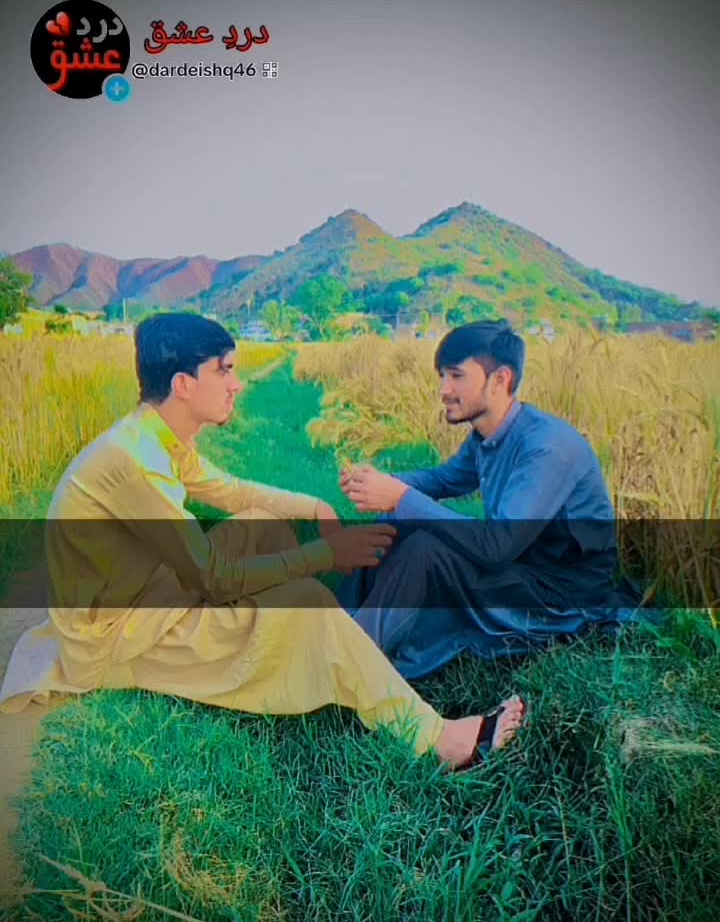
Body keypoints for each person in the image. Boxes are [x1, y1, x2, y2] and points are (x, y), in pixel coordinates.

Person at [0, 313, 526, 770]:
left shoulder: (152, 436)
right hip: (119, 635)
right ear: (183, 385)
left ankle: (331, 645)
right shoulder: (136, 462)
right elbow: (213, 578)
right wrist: (326, 554)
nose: (236, 384)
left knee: (261, 522)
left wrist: (315, 508)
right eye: (224, 370)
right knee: (307, 600)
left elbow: (230, 491)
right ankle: (439, 741)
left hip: (147, 593)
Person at [337, 319, 643, 680]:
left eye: (456, 375)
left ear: (500, 379)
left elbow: (498, 545)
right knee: (396, 520)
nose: (444, 390)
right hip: (519, 565)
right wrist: (382, 484)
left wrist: (400, 497)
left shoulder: (546, 448)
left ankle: (348, 665)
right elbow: (444, 479)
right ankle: (336, 624)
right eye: (442, 376)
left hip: (557, 592)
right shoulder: (487, 435)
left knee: (425, 548)